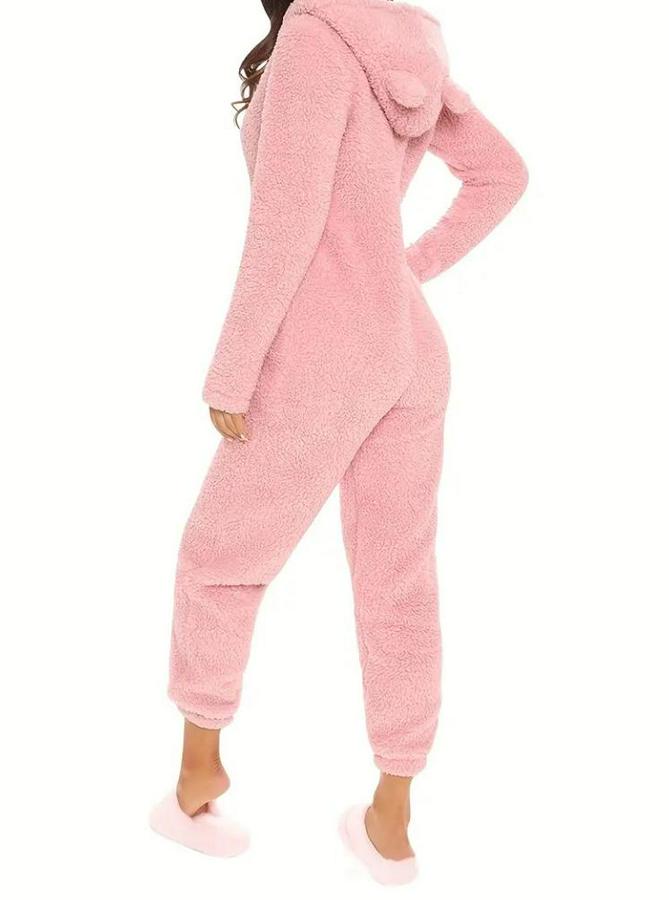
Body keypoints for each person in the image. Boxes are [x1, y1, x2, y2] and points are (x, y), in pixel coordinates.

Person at [150, 0, 527, 884]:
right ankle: (391, 817)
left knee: (218, 559)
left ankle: (197, 778)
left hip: (323, 346)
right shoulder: (408, 42)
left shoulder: (316, 41)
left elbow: (285, 220)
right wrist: (403, 275)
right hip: (407, 348)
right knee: (399, 582)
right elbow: (502, 174)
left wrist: (233, 369)